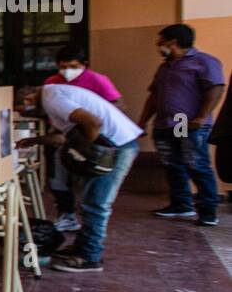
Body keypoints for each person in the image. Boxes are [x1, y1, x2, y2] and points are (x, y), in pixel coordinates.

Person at [19, 84, 143, 273]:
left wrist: (86, 150)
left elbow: (93, 123)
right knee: (88, 201)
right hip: (113, 145)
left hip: (114, 148)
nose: (27, 114)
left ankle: (89, 257)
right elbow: (62, 137)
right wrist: (33, 141)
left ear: (28, 100)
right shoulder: (53, 96)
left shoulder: (51, 98)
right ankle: (82, 247)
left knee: (96, 203)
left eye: (23, 110)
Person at [137, 24, 226, 227]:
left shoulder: (203, 61)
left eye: (160, 41)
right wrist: (142, 122)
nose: (158, 46)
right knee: (172, 164)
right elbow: (154, 96)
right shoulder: (165, 67)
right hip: (165, 123)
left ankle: (208, 210)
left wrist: (202, 116)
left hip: (184, 122)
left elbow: (216, 88)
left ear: (172, 42)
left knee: (195, 164)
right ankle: (181, 204)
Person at [41, 46, 123, 232]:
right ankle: (67, 215)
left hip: (92, 139)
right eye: (63, 66)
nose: (67, 71)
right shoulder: (52, 83)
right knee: (58, 178)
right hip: (63, 135)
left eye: (73, 66)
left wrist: (88, 140)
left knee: (89, 184)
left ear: (84, 65)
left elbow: (115, 104)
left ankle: (88, 234)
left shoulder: (97, 80)